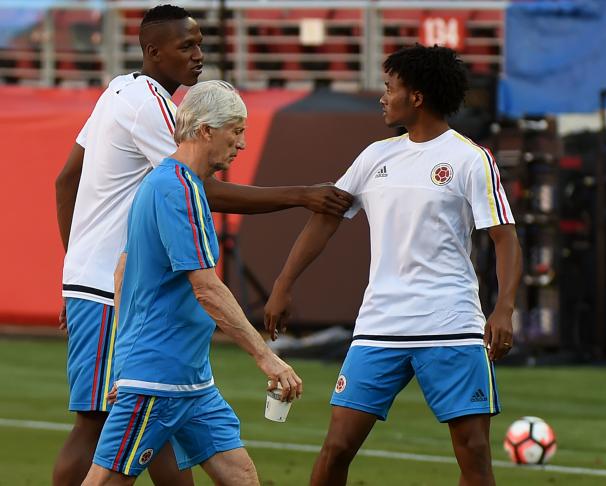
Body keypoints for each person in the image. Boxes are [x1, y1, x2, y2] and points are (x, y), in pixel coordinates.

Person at [53, 5, 351, 486]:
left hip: (110, 284)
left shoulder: (117, 90)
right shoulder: (154, 113)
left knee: (157, 433)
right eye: (186, 46)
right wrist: (301, 195)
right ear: (153, 51)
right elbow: (197, 187)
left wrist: (73, 271)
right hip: (120, 296)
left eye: (200, 44)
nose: (199, 55)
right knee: (98, 426)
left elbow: (66, 180)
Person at [264, 44, 523, 486]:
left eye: (390, 87)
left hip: (451, 325)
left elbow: (505, 237)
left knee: (474, 455)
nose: (383, 97)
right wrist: (283, 283)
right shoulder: (374, 157)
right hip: (379, 326)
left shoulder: (469, 158)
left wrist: (503, 308)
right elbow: (326, 218)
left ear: (417, 97)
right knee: (337, 448)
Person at [81, 80, 302, 486]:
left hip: (191, 378)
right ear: (205, 131)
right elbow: (206, 287)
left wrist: (121, 365)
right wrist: (266, 357)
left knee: (242, 476)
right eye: (235, 131)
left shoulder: (167, 184)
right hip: (158, 377)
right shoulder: (178, 188)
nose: (242, 144)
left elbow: (123, 271)